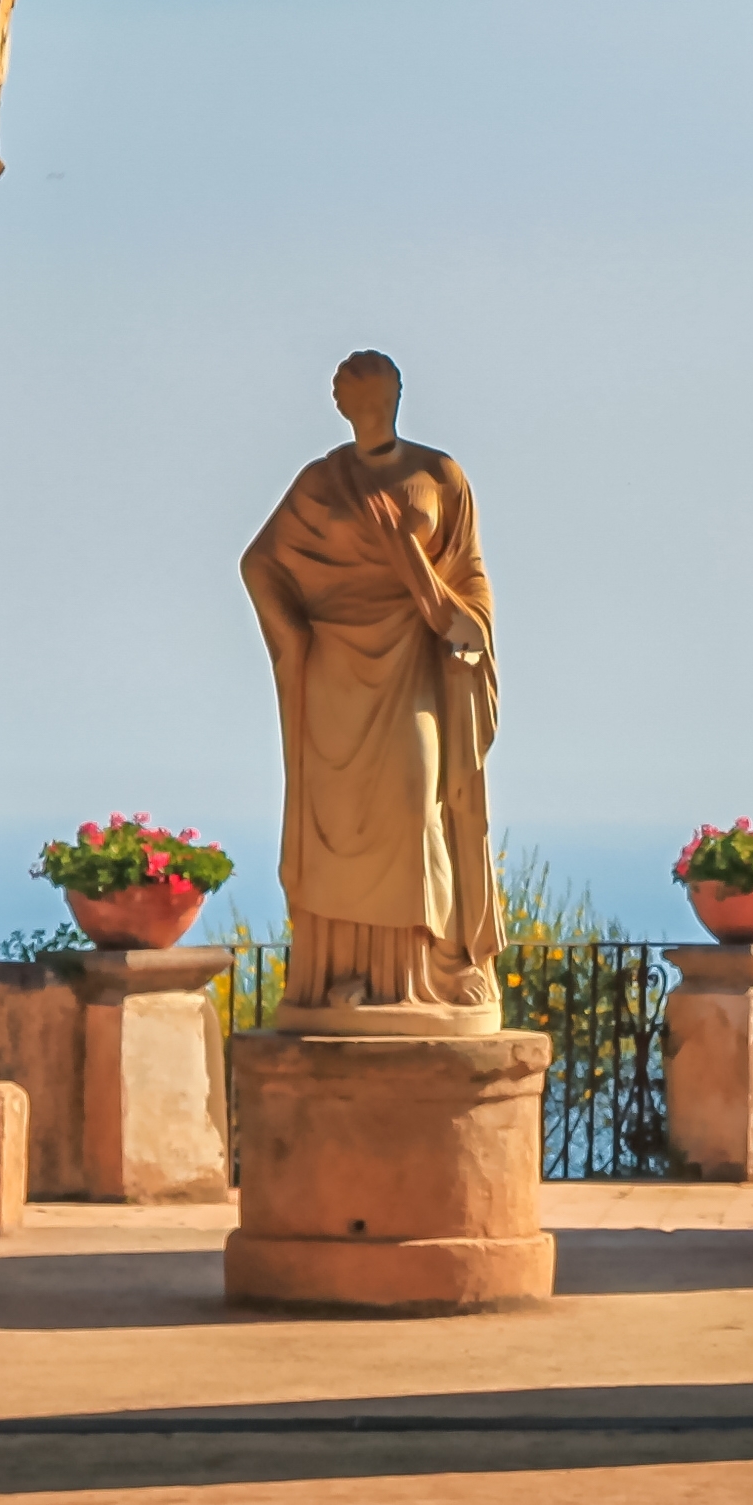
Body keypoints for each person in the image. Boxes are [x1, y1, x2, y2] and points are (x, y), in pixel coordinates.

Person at [238, 349, 501, 1015]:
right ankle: (340, 975)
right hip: (333, 668)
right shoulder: (321, 481)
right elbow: (259, 563)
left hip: (411, 657)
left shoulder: (439, 474)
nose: (372, 408)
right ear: (341, 405)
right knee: (341, 821)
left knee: (417, 804)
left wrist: (423, 580)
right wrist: (294, 638)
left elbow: (469, 580)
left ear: (399, 395)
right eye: (358, 396)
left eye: (381, 394)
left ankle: (425, 975)